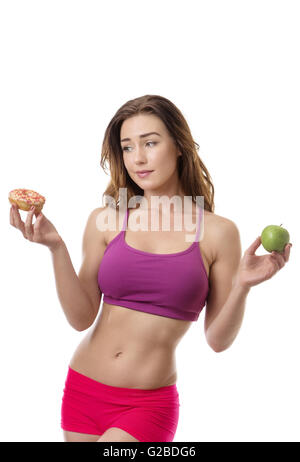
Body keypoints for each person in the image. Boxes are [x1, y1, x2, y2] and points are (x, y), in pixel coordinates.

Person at [9, 95, 292, 443]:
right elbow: (81, 317)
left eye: (150, 143)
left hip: (146, 406)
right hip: (83, 390)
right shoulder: (107, 219)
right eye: (127, 148)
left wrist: (243, 286)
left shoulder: (217, 232)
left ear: (179, 146)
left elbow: (217, 340)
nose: (138, 158)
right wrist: (56, 247)